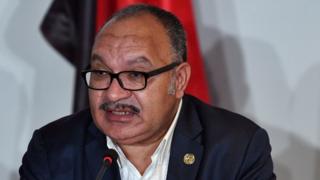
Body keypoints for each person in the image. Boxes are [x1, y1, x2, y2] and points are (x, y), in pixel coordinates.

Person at [19, 4, 275, 180]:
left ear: (179, 79)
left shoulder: (237, 148)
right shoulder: (53, 150)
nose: (113, 94)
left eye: (135, 75)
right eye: (101, 73)